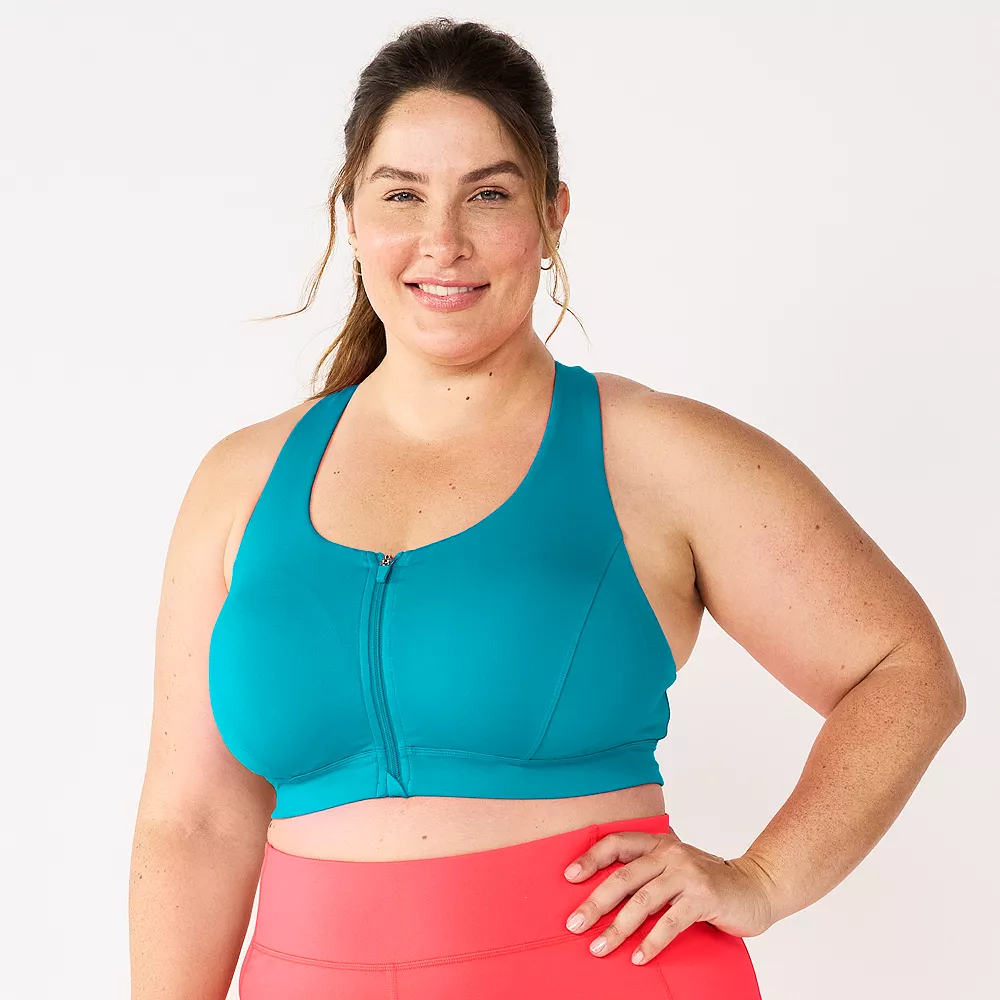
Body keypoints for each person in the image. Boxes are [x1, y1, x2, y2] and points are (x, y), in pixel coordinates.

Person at [128, 16, 966, 1000]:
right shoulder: (240, 481)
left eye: (488, 194)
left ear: (553, 215)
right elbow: (192, 821)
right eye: (402, 194)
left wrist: (765, 879)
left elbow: (902, 670)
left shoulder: (654, 452)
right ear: (351, 214)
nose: (443, 240)